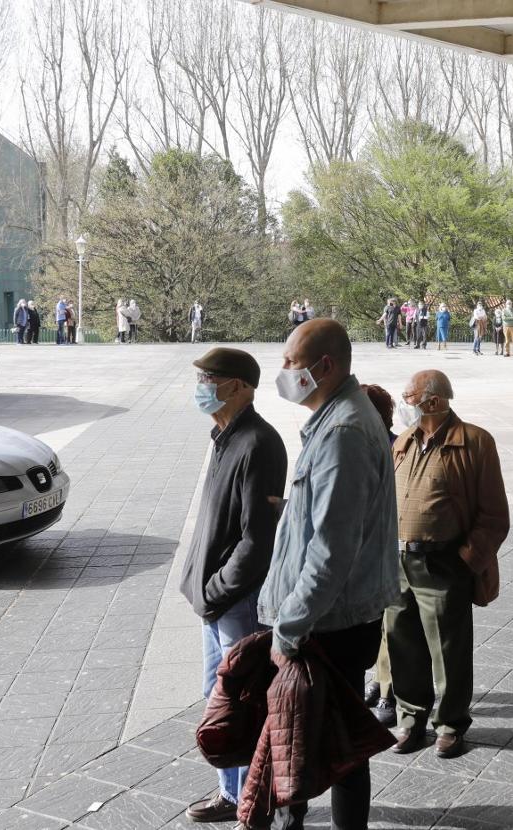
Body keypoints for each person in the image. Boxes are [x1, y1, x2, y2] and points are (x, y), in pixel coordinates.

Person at [260, 319, 399, 830]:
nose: (283, 373)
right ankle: (295, 815)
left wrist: (290, 626)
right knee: (324, 737)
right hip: (329, 617)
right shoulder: (334, 419)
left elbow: (331, 550)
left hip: (330, 624)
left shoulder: (343, 431)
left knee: (335, 744)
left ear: (326, 367)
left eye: (291, 364)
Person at [180, 348, 287, 825]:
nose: (202, 386)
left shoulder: (259, 443)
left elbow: (256, 540)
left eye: (211, 378)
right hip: (216, 599)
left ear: (240, 386)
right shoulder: (225, 435)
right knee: (219, 696)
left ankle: (248, 800)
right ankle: (232, 791)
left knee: (241, 701)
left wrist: (218, 590)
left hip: (235, 600)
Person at [388, 369, 509, 759]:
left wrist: (466, 559)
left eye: (409, 397)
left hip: (443, 563)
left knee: (449, 650)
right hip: (398, 562)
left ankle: (451, 723)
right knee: (402, 645)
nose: (405, 404)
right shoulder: (404, 441)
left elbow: (494, 515)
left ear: (433, 401)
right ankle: (410, 719)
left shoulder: (474, 441)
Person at [360, 383, 399, 727]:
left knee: (390, 623)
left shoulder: (394, 448)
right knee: (375, 623)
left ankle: (388, 690)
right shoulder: (357, 445)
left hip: (389, 548)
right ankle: (378, 680)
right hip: (362, 552)